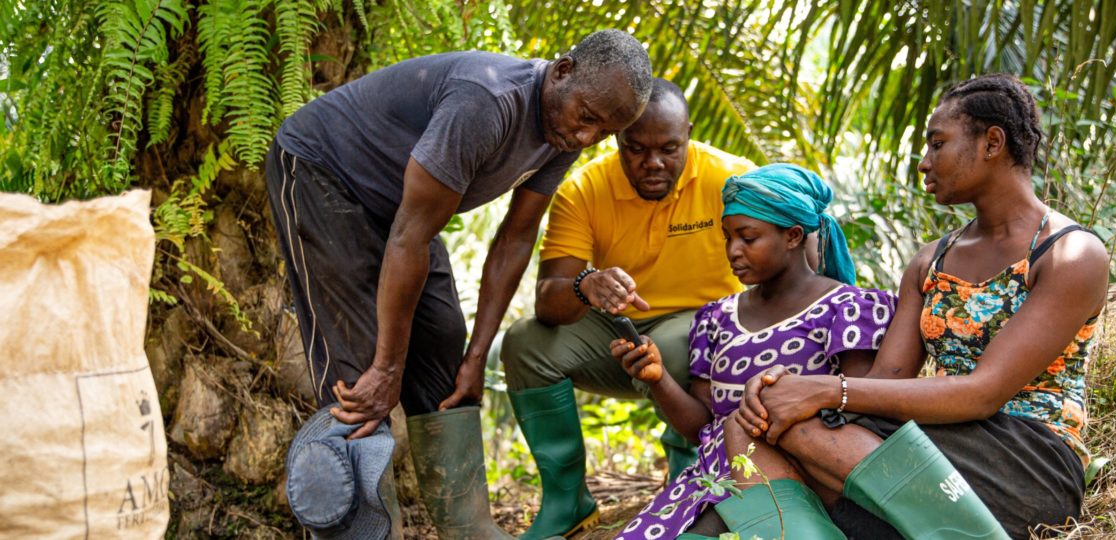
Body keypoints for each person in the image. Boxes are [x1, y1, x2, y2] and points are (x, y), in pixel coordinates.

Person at [264, 30, 653, 539]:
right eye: (586, 118)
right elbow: (410, 236)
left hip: (402, 211)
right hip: (322, 172)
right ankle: (364, 532)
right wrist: (386, 367)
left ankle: (468, 528)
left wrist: (476, 358)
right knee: (358, 376)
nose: (586, 138)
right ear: (562, 71)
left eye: (602, 132)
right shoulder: (488, 100)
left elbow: (515, 240)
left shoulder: (564, 129)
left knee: (445, 343)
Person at [734, 74, 1109, 539]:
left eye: (937, 144)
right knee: (751, 422)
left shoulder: (1069, 254)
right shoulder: (930, 261)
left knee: (800, 427)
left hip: (1026, 458)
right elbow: (888, 382)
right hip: (940, 443)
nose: (924, 163)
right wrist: (783, 389)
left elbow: (983, 392)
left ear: (993, 142)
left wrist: (826, 391)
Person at [498, 78, 759, 539]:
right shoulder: (584, 189)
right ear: (617, 138)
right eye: (636, 149)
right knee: (524, 343)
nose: (653, 163)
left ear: (689, 134)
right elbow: (548, 299)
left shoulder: (732, 178)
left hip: (711, 334)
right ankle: (567, 501)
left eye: (669, 149)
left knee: (674, 346)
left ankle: (690, 484)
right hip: (620, 333)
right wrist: (586, 284)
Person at [610, 163, 896, 540]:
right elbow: (704, 427)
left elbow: (859, 411)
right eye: (728, 237)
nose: (733, 250)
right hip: (711, 478)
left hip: (800, 481)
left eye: (748, 237)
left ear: (793, 236)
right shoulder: (716, 318)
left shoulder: (845, 308)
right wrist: (658, 379)